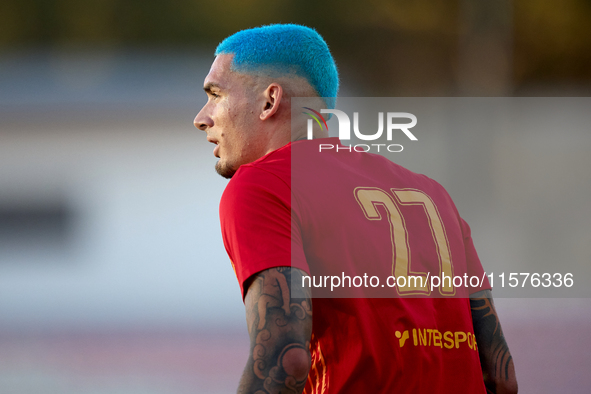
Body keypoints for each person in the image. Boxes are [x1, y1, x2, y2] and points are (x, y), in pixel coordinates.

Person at [194, 24, 517, 394]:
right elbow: (501, 376)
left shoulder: (264, 185)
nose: (201, 117)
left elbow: (284, 359)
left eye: (215, 94)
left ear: (269, 101)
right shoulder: (433, 194)